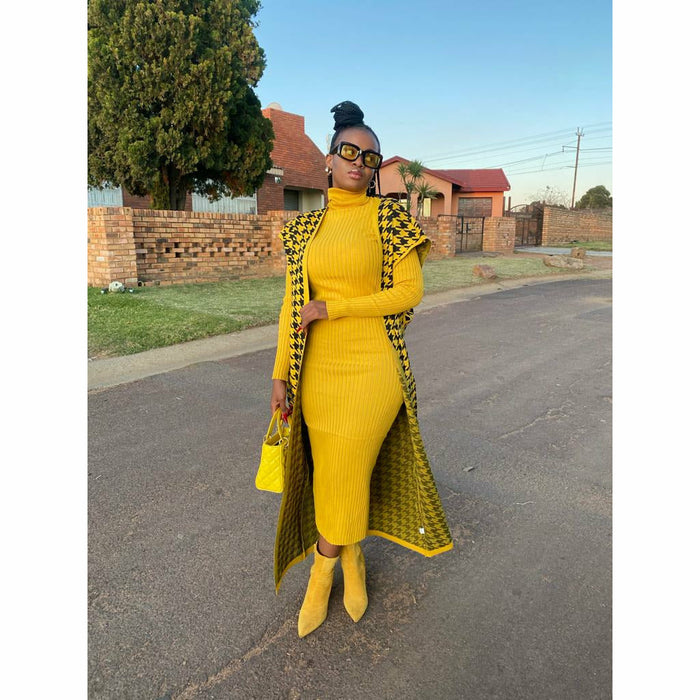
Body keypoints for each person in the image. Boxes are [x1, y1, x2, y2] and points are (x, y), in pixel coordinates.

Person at [270, 101, 452, 638]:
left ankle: (322, 571)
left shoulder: (390, 218)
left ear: (375, 168)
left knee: (348, 465)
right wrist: (279, 373)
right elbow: (291, 306)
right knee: (332, 470)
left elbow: (409, 291)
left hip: (374, 368)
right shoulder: (305, 228)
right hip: (317, 371)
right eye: (349, 151)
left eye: (370, 156)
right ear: (329, 159)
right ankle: (351, 558)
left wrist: (336, 307)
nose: (359, 161)